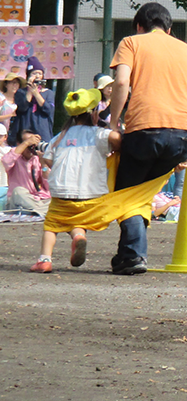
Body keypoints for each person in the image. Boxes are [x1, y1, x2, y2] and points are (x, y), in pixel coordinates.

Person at [107, 2, 187, 275]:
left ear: (139, 26)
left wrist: (113, 122)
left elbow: (122, 82)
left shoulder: (132, 42)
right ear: (170, 28)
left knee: (128, 193)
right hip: (184, 134)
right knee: (144, 193)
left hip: (146, 129)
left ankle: (133, 255)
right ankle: (127, 253)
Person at [33, 88, 122, 273]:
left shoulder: (61, 136)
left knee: (52, 224)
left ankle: (44, 259)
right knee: (78, 219)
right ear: (95, 114)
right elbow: (114, 137)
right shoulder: (98, 134)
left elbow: (49, 160)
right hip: (89, 193)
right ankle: (79, 236)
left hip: (62, 191)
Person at [3, 129, 50, 216]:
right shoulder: (15, 156)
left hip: (37, 199)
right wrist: (26, 143)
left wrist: (44, 165)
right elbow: (6, 161)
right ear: (19, 143)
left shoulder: (37, 159)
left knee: (56, 198)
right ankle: (42, 211)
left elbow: (49, 186)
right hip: (19, 199)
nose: (31, 146)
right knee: (18, 191)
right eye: (29, 143)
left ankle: (37, 211)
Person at [8, 56, 54, 145]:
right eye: (34, 73)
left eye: (40, 73)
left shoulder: (48, 93)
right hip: (25, 131)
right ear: (28, 75)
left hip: (43, 132)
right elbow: (22, 108)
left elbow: (49, 110)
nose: (37, 76)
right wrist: (30, 91)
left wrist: (36, 93)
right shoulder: (21, 92)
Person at [1, 71, 23, 142]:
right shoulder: (1, 98)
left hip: (14, 137)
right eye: (12, 82)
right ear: (6, 85)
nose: (14, 85)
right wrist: (11, 115)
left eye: (16, 83)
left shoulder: (20, 101)